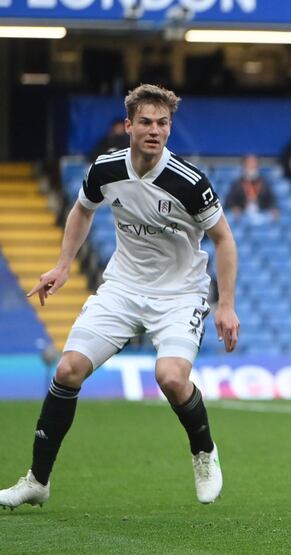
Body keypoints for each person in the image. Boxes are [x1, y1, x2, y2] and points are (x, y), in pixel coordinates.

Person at [0, 84, 240, 510]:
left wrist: (225, 305)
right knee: (69, 369)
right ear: (128, 125)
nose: (155, 130)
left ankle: (204, 452)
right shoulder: (105, 169)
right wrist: (62, 265)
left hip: (180, 294)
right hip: (123, 288)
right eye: (146, 122)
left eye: (162, 123)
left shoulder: (189, 181)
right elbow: (82, 210)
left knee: (170, 378)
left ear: (170, 128)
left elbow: (224, 239)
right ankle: (37, 481)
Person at [225, 154, 279, 222]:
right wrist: (234, 208)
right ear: (244, 165)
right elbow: (229, 201)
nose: (252, 166)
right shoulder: (237, 183)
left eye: (254, 164)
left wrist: (273, 209)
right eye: (249, 164)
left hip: (261, 216)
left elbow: (272, 200)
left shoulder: (265, 183)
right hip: (242, 216)